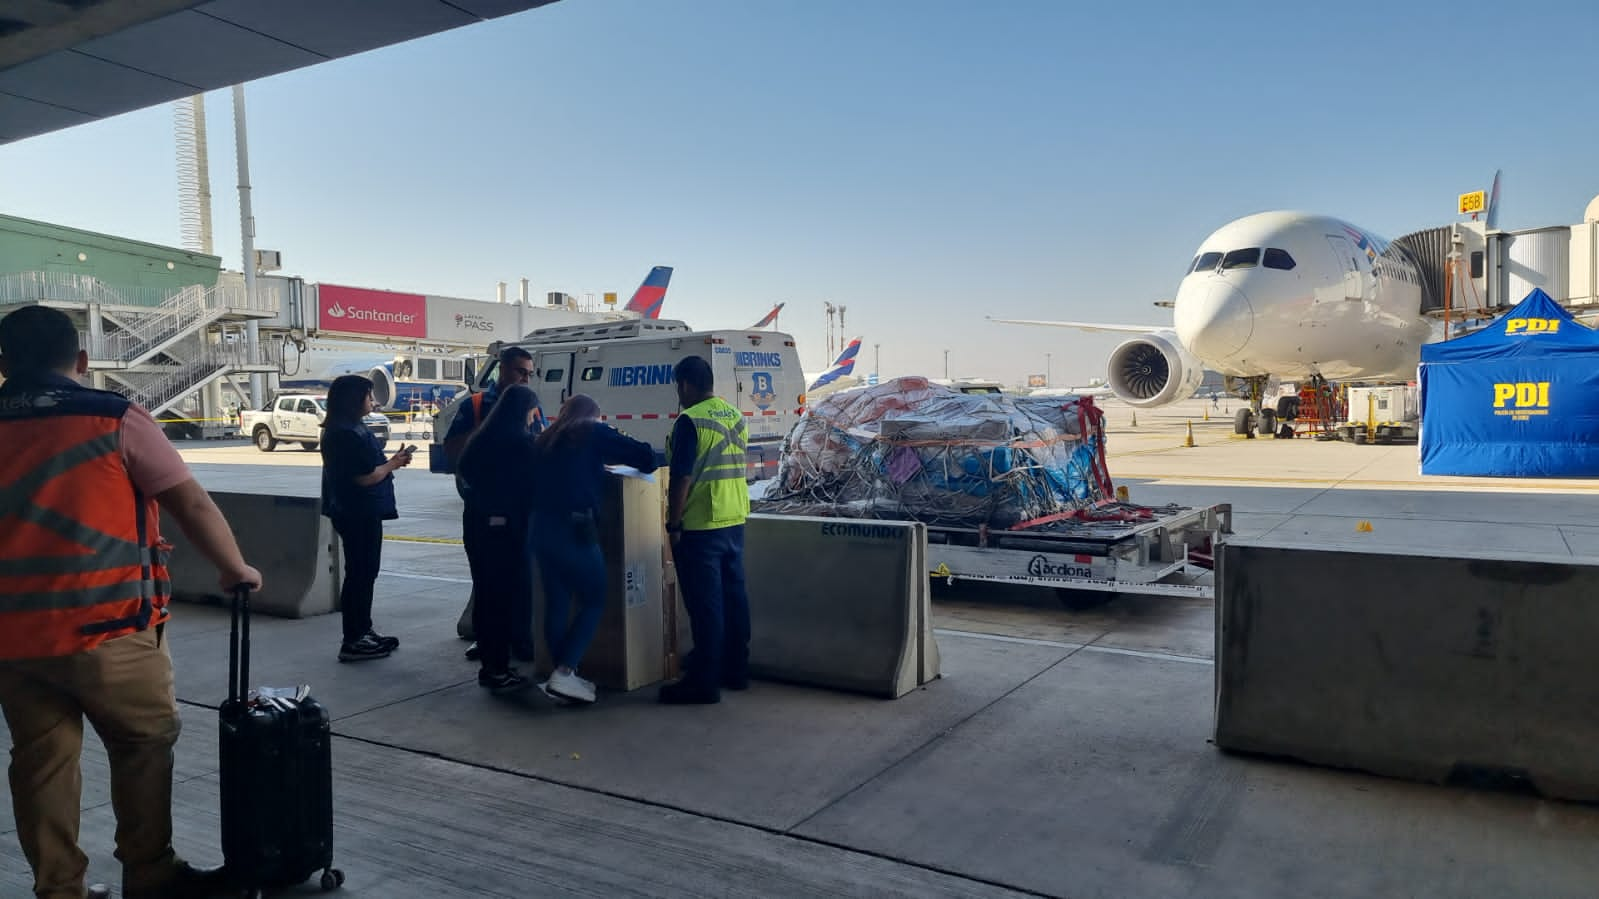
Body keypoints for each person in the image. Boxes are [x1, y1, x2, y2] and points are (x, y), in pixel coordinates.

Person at [0, 305, 263, 899]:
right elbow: (189, 503)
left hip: (12, 639)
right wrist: (235, 568)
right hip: (110, 630)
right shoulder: (112, 416)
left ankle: (59, 889)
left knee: (41, 763)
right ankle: (150, 873)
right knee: (142, 745)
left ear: (3, 364)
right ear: (83, 361)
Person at [530, 394, 657, 704]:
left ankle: (560, 676)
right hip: (575, 531)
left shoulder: (546, 438)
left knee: (558, 602)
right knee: (594, 597)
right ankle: (565, 670)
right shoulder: (592, 431)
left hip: (540, 531)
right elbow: (647, 459)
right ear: (594, 416)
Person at [659, 355, 752, 705]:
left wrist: (673, 523)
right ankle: (736, 671)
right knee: (734, 599)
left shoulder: (690, 420)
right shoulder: (734, 414)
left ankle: (703, 683)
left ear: (684, 384)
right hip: (734, 517)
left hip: (700, 524)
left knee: (705, 606)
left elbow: (682, 476)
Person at [443, 346, 543, 662]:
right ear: (502, 369)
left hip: (518, 513)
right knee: (487, 583)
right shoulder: (474, 405)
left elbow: (540, 444)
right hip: (483, 508)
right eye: (519, 372)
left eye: (529, 373)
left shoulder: (531, 405)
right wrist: (493, 426)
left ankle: (518, 642)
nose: (525, 379)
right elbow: (453, 451)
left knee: (521, 581)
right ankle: (490, 646)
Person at [456, 384, 544, 694]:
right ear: (525, 411)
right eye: (534, 411)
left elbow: (464, 470)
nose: (536, 417)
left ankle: (491, 665)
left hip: (478, 524)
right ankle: (498, 669)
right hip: (506, 530)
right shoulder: (520, 442)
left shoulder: (482, 438)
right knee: (503, 599)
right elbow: (535, 484)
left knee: (486, 595)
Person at [319, 375, 412, 662]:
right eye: (369, 396)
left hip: (360, 510)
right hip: (357, 511)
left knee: (365, 573)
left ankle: (363, 630)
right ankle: (354, 639)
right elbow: (364, 477)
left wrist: (388, 462)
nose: (373, 401)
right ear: (354, 399)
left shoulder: (350, 428)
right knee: (360, 574)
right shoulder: (344, 433)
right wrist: (393, 464)